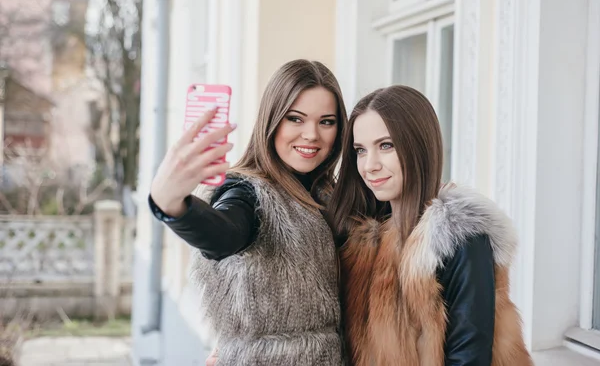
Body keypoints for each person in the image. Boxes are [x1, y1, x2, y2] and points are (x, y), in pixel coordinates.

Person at [149, 59, 348, 365]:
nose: (311, 134)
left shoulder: (331, 196)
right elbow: (223, 234)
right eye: (295, 119)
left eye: (326, 121)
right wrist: (172, 205)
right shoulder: (248, 191)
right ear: (272, 120)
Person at [329, 85, 533, 365]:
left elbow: (469, 357)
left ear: (418, 146)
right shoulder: (363, 238)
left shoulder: (459, 237)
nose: (369, 165)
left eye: (386, 145)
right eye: (360, 150)